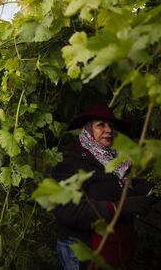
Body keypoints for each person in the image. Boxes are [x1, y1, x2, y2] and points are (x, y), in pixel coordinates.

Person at [53, 103, 153, 270]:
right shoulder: (71, 159)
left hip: (115, 247)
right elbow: (67, 210)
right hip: (85, 249)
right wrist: (117, 208)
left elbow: (127, 186)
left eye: (111, 126)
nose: (109, 130)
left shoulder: (118, 161)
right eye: (101, 125)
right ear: (87, 129)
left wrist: (151, 190)